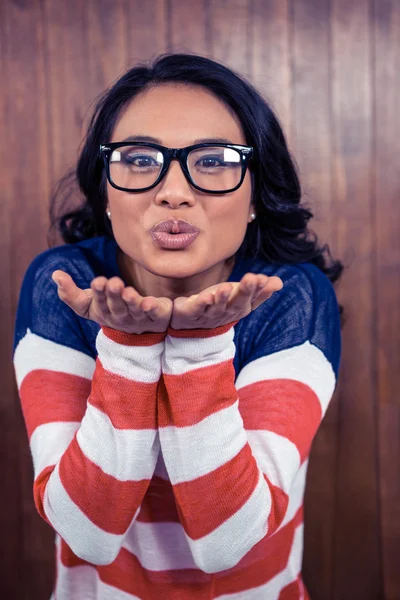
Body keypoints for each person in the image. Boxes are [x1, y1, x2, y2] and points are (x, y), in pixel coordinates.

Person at [13, 53, 344, 600]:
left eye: (214, 160)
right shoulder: (65, 288)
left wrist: (199, 347)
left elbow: (228, 540)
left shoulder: (294, 299)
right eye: (140, 160)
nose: (173, 191)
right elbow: (90, 533)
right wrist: (128, 346)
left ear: (257, 193)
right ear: (106, 192)